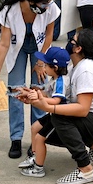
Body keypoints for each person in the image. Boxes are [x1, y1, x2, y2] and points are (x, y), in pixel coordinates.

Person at [29, 29, 93, 184]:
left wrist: (47, 107)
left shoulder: (86, 70)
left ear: (78, 48)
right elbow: (58, 97)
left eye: (72, 40)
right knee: (46, 127)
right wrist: (33, 96)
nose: (68, 42)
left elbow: (82, 109)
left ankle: (85, 170)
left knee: (58, 116)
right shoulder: (76, 68)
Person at [0, 0, 60, 159]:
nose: (47, 6)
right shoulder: (11, 10)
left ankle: (37, 139)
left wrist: (41, 61)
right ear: (31, 1)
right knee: (16, 92)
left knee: (38, 93)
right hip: (17, 49)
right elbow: (4, 44)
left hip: (40, 49)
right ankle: (16, 139)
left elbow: (49, 35)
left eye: (48, 2)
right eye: (43, 3)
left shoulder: (50, 8)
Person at [17, 46, 71, 177]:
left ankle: (38, 168)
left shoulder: (61, 82)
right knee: (35, 127)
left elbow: (56, 101)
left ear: (55, 68)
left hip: (61, 116)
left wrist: (39, 99)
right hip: (54, 113)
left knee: (40, 138)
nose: (44, 68)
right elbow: (46, 94)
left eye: (46, 65)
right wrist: (31, 93)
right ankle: (34, 156)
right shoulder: (54, 79)